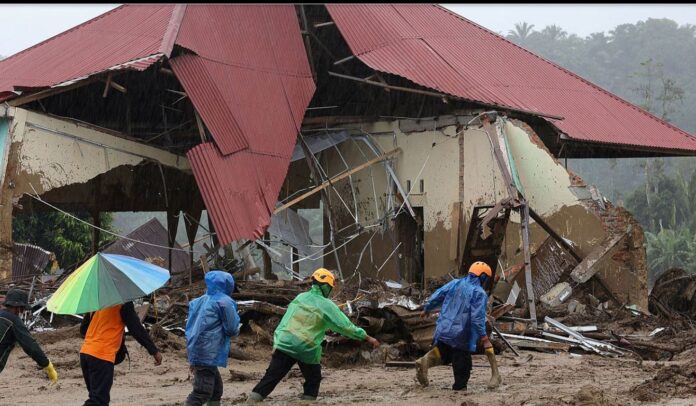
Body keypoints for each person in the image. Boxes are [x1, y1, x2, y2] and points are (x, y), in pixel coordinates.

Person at [247, 268, 380, 403]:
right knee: (313, 379)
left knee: (271, 377)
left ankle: (252, 400)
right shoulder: (327, 305)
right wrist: (367, 337)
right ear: (326, 287)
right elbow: (345, 327)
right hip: (306, 347)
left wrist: (277, 342)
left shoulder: (300, 297)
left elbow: (285, 321)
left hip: (284, 342)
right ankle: (307, 401)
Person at [415, 261, 501, 391]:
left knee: (444, 353)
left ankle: (425, 361)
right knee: (463, 366)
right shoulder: (479, 293)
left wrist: (427, 308)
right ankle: (459, 391)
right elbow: (477, 318)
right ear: (483, 277)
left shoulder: (455, 283)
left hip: (443, 328)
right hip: (461, 334)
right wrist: (484, 337)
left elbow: (438, 294)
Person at [79, 300, 162, 406]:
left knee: (97, 398)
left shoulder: (97, 301)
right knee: (98, 401)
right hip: (102, 355)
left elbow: (83, 329)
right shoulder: (123, 302)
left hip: (85, 353)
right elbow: (136, 328)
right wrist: (154, 351)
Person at [184, 270, 240, 406]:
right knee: (202, 392)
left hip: (195, 347)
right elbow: (231, 328)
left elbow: (189, 326)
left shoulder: (198, 301)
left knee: (216, 390)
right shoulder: (224, 302)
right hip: (209, 351)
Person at [0, 288, 58, 383]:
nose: (23, 312)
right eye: (23, 309)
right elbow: (30, 345)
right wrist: (47, 365)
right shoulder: (14, 321)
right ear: (18, 308)